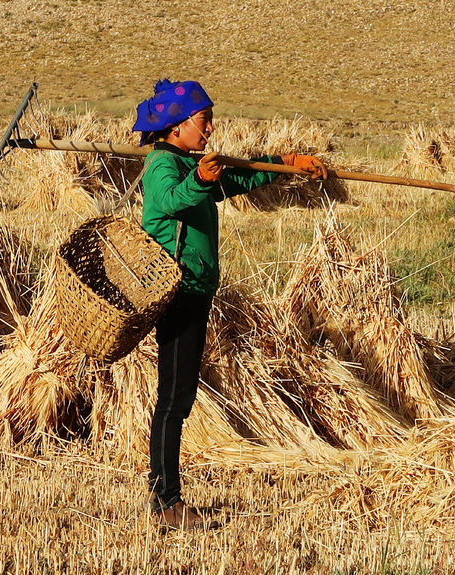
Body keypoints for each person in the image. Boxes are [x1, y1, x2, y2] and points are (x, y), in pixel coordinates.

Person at [132, 79, 327, 530]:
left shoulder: (187, 160)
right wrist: (200, 178)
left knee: (179, 395)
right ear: (178, 126)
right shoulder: (164, 164)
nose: (210, 127)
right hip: (177, 293)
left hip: (197, 291)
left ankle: (166, 499)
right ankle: (166, 502)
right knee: (174, 397)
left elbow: (239, 177)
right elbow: (172, 200)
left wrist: (285, 165)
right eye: (204, 120)